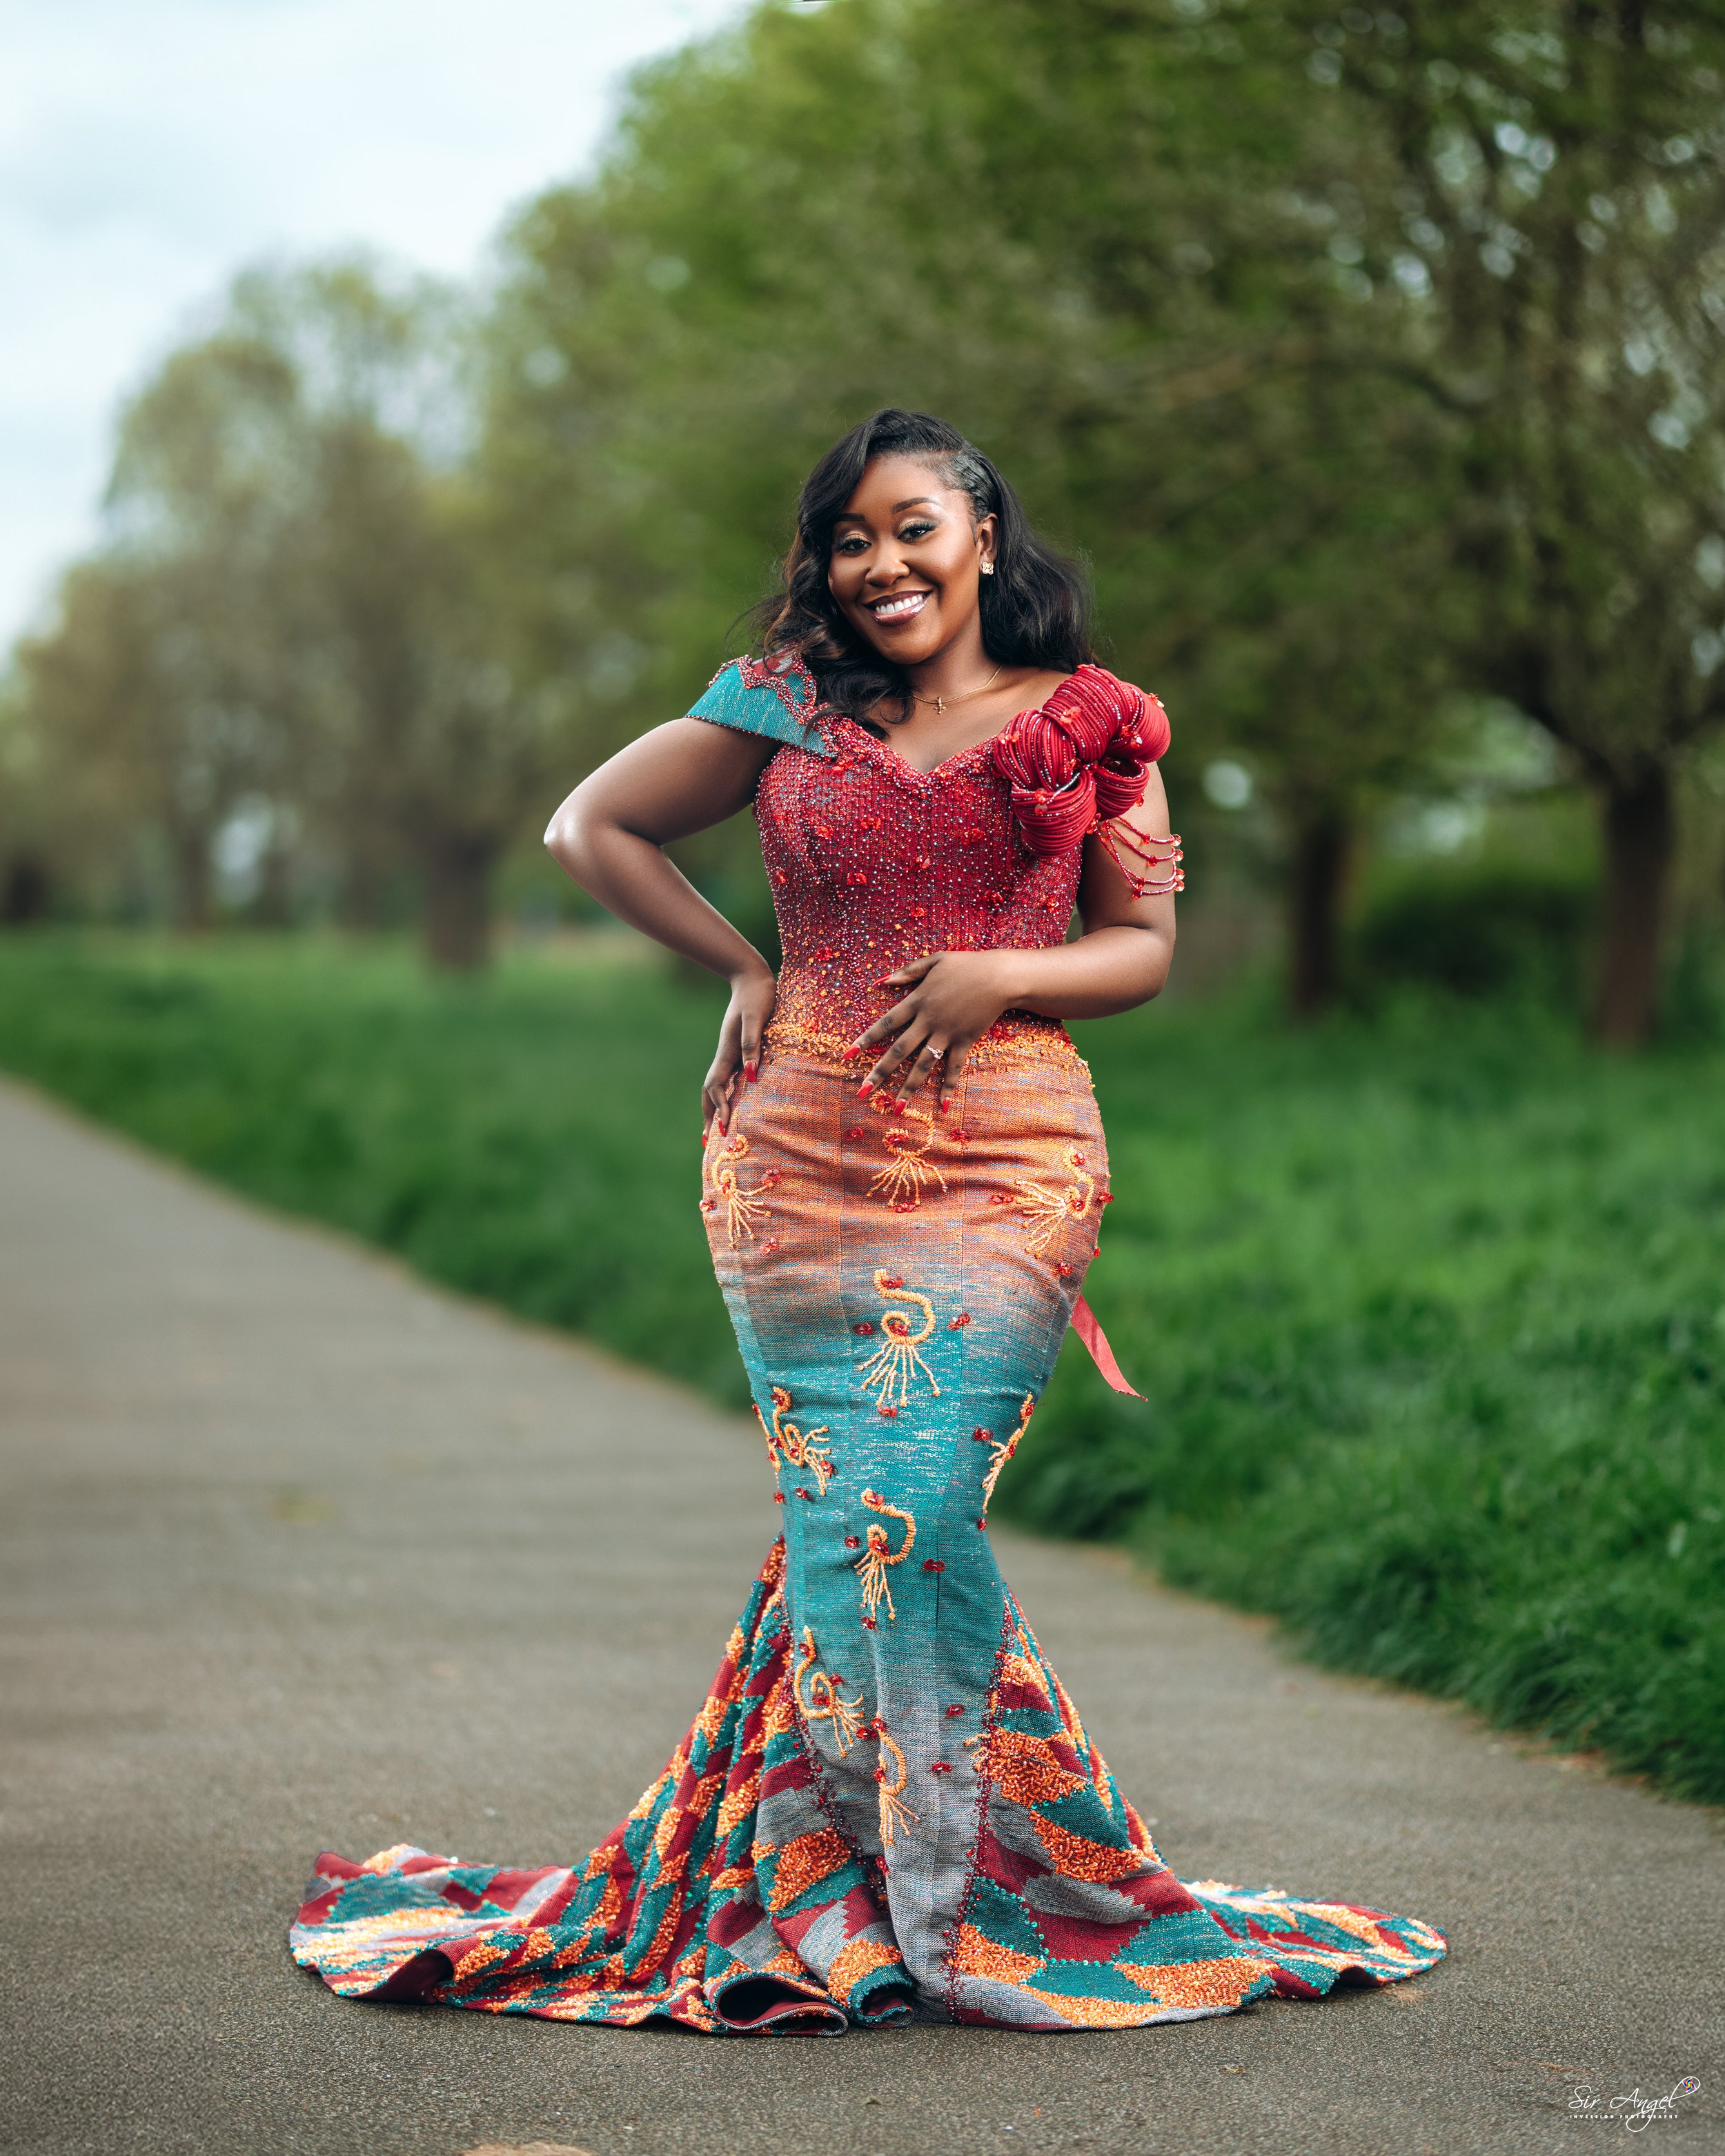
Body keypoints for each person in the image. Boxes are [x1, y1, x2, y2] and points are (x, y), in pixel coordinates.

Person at [290, 408, 1447, 2033]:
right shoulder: (783, 700)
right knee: (853, 1521)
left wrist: (1000, 976)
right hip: (793, 1157)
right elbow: (589, 827)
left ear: (980, 529)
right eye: (847, 538)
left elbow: (1142, 949)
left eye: (910, 525)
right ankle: (848, 1884)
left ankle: (936, 1893)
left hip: (1008, 1154)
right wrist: (748, 964)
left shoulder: (1095, 720)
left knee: (908, 1503)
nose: (878, 563)